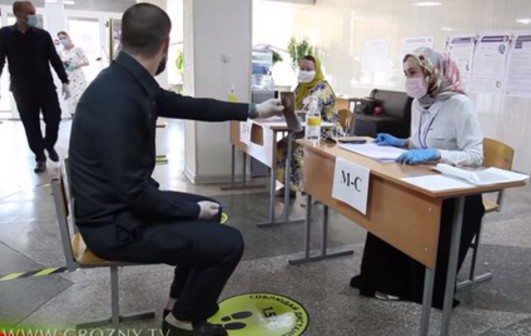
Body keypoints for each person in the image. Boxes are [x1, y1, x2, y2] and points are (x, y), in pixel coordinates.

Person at [68, 4, 283, 336]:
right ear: (166, 44)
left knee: (210, 214)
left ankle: (175, 307)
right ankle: (184, 321)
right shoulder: (117, 99)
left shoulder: (126, 80)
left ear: (122, 39)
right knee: (229, 243)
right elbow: (133, 193)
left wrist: (253, 109)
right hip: (112, 226)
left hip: (117, 207)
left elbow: (185, 104)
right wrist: (191, 211)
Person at [350, 47, 485, 309]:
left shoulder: (460, 105)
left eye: (413, 73)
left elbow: (476, 155)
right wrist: (402, 141)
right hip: (422, 178)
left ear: (431, 71)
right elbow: (420, 141)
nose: (409, 80)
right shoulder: (418, 103)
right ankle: (382, 277)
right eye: (406, 74)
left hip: (455, 187)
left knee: (415, 213)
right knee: (388, 205)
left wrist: (436, 154)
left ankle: (417, 285)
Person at [0, 1, 70, 173]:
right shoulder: (4, 35)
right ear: (17, 14)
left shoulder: (43, 35)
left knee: (54, 117)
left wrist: (65, 81)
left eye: (34, 12)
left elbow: (54, 59)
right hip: (22, 90)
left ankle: (49, 144)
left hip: (45, 87)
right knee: (31, 125)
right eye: (29, 13)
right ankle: (40, 157)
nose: (33, 16)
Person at [275, 55, 344, 196]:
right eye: (302, 69)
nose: (304, 72)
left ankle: (310, 188)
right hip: (305, 130)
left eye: (309, 69)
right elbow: (293, 106)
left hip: (326, 134)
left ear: (316, 70)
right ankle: (289, 187)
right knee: (281, 147)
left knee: (297, 151)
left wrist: (292, 112)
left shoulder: (322, 88)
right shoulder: (301, 87)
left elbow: (311, 109)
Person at [57, 31, 89, 117]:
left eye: (64, 38)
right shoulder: (60, 53)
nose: (63, 40)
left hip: (78, 77)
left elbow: (87, 62)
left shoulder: (77, 49)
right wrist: (64, 66)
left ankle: (84, 121)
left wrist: (76, 65)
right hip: (68, 78)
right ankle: (74, 123)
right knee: (71, 102)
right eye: (60, 39)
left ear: (68, 37)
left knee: (80, 99)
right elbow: (59, 65)